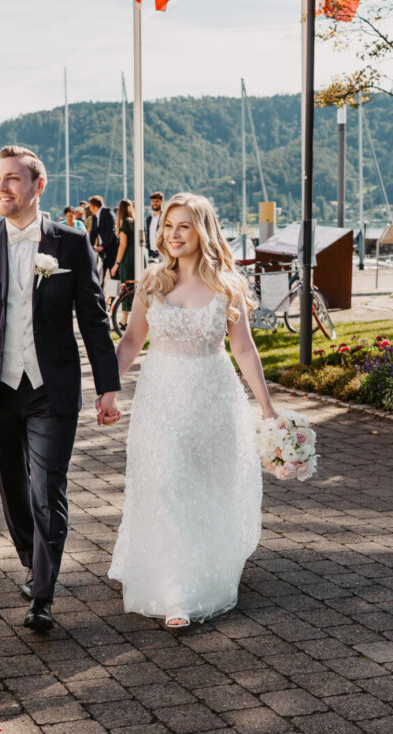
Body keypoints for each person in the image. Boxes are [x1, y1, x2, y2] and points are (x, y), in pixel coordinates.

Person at [0, 145, 121, 632]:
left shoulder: (71, 242)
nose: (3, 188)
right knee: (13, 490)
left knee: (49, 489)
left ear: (38, 186)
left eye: (13, 179)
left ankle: (42, 595)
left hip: (53, 388)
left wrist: (108, 386)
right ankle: (32, 560)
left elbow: (93, 318)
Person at [108, 192, 277, 629]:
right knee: (165, 481)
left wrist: (268, 408)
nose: (174, 234)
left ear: (202, 230)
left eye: (183, 226)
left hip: (211, 397)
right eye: (168, 226)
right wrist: (108, 389)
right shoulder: (151, 281)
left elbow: (243, 348)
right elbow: (130, 342)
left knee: (201, 487)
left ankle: (202, 567)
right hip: (160, 397)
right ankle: (176, 592)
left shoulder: (227, 285)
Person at [109, 198, 144, 329]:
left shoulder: (125, 222)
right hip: (140, 255)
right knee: (138, 287)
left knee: (127, 287)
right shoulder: (136, 221)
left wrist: (117, 263)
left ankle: (124, 320)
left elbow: (122, 245)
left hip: (129, 256)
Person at [87, 196, 117, 302]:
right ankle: (100, 297)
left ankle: (113, 299)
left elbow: (111, 231)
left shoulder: (108, 213)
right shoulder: (95, 217)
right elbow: (93, 232)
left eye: (90, 206)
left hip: (112, 249)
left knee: (113, 274)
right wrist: (90, 244)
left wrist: (103, 245)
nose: (89, 209)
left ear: (94, 206)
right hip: (102, 250)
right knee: (102, 274)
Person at [145, 191, 164, 258]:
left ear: (162, 202)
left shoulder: (165, 217)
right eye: (153, 201)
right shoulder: (149, 219)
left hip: (162, 252)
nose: (154, 203)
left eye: (157, 201)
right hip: (151, 253)